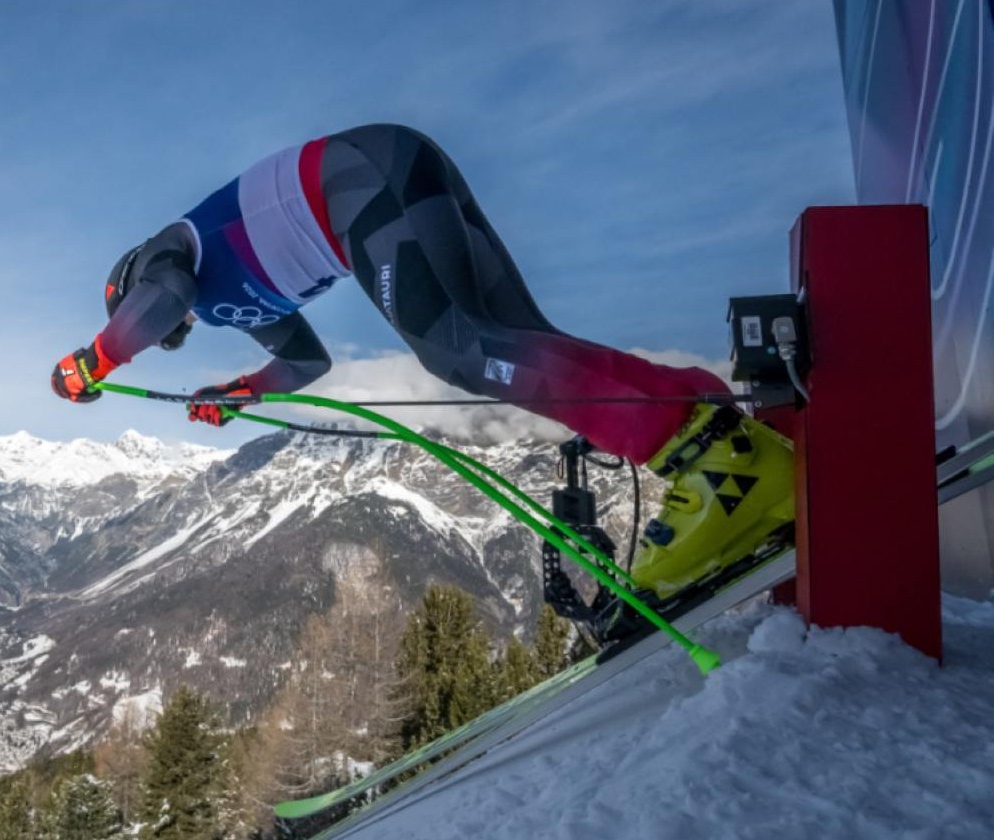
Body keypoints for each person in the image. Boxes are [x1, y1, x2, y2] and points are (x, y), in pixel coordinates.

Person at [51, 124, 793, 605]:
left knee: (457, 352)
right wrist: (241, 391)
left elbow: (162, 298)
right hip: (391, 170)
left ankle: (711, 461)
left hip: (359, 186)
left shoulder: (165, 256)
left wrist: (95, 359)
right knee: (513, 338)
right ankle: (710, 424)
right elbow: (306, 362)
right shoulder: (224, 301)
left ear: (126, 284)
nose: (175, 330)